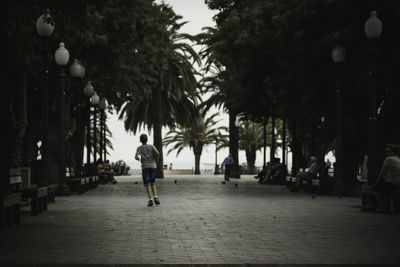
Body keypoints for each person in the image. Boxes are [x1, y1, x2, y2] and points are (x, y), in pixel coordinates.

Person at [372, 144, 400, 213]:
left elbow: (381, 173)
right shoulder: (398, 159)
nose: (386, 153)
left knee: (375, 188)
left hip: (393, 184)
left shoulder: (389, 159)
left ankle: (383, 207)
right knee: (384, 187)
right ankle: (387, 206)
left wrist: (376, 183)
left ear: (393, 152)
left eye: (388, 152)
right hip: (397, 183)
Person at [135, 134, 160, 207]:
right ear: (147, 139)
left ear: (140, 140)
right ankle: (156, 197)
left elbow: (136, 156)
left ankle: (150, 200)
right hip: (153, 166)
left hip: (145, 167)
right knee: (153, 183)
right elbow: (158, 153)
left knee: (147, 184)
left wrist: (138, 159)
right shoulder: (152, 146)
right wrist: (156, 160)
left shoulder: (139, 148)